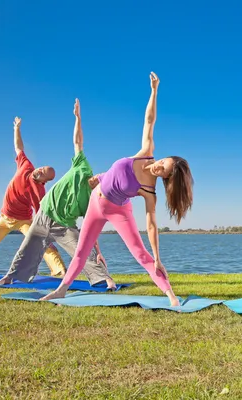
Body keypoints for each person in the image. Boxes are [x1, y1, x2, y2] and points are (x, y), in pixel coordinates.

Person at [40, 72, 194, 305]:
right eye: (163, 162)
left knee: (142, 255)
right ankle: (62, 290)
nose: (158, 167)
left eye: (163, 170)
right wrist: (154, 91)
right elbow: (150, 120)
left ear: (166, 177)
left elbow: (151, 225)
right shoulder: (146, 152)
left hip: (118, 210)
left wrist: (158, 257)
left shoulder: (149, 190)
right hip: (95, 202)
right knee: (81, 252)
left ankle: (170, 294)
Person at [0, 99, 116, 288]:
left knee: (82, 250)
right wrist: (78, 118)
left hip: (64, 227)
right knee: (26, 249)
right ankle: (10, 276)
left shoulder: (92, 200)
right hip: (44, 215)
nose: (93, 179)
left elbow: (91, 228)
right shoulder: (82, 167)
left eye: (98, 181)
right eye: (97, 177)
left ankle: (105, 279)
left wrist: (98, 250)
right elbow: (78, 141)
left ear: (100, 187)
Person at [0, 117, 65, 276]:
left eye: (43, 174)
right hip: (5, 217)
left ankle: (60, 270)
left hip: (24, 220)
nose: (39, 171)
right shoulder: (26, 166)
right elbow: (19, 148)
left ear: (44, 181)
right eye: (41, 168)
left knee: (41, 242)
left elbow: (42, 214)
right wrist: (17, 129)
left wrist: (46, 235)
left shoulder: (39, 191)